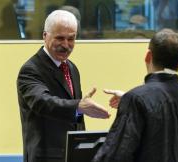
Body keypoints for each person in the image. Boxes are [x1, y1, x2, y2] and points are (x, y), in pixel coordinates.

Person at [93, 29, 178, 162]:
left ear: (148, 56)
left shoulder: (137, 98)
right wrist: (131, 100)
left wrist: (132, 101)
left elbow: (117, 154)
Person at [17, 10, 110, 162]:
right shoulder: (31, 70)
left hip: (73, 154)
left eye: (71, 38)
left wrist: (80, 114)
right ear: (45, 36)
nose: (66, 45)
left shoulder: (71, 67)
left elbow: (74, 116)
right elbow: (42, 102)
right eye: (60, 38)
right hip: (45, 157)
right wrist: (78, 106)